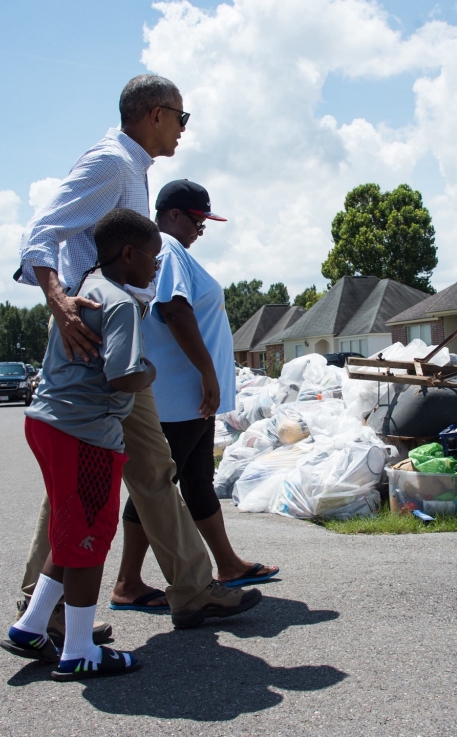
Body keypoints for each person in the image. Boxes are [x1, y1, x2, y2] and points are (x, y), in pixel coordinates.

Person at [15, 74, 261, 632]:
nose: (183, 128)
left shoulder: (133, 171)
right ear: (155, 113)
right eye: (181, 116)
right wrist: (58, 298)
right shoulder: (111, 163)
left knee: (150, 470)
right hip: (100, 347)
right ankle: (46, 609)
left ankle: (190, 590)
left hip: (120, 343)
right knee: (87, 482)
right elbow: (42, 231)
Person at [1, 209, 159, 680]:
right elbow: (124, 374)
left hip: (46, 421)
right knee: (90, 539)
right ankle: (78, 650)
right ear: (128, 253)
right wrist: (150, 370)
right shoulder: (123, 303)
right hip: (86, 433)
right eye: (152, 257)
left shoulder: (84, 287)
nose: (155, 267)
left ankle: (31, 626)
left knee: (69, 533)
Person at [111, 181, 278, 610]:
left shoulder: (174, 251)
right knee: (157, 486)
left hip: (193, 399)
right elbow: (174, 309)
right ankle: (127, 582)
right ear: (172, 214)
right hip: (177, 396)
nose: (202, 227)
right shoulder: (165, 248)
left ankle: (228, 563)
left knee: (197, 480)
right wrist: (207, 370)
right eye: (198, 218)